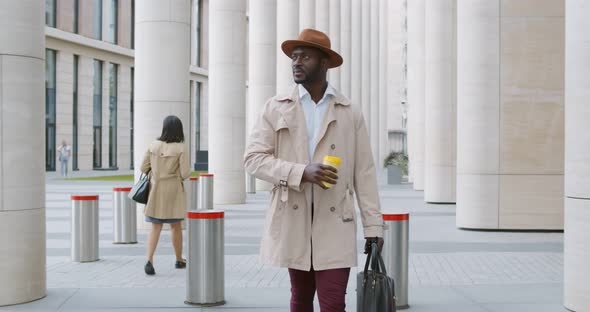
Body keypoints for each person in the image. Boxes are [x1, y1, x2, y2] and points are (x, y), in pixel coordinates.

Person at [244, 29, 385, 312]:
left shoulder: (349, 111)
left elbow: (364, 173)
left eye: (305, 56)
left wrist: (374, 225)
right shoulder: (275, 107)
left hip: (335, 221)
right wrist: (300, 171)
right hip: (293, 219)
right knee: (300, 299)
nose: (296, 62)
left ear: (324, 63)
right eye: (294, 57)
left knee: (333, 303)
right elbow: (253, 159)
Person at [140, 115, 191, 275]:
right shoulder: (181, 148)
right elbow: (184, 173)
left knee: (155, 227)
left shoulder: (153, 145)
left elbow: (143, 167)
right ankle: (178, 259)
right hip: (173, 191)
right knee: (176, 227)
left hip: (156, 190)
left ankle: (149, 260)